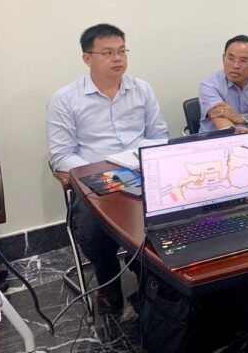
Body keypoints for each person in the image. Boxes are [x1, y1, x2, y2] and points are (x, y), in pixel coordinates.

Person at [47, 23, 168, 312]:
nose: (118, 58)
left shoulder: (142, 89)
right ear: (87, 58)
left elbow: (159, 135)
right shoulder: (65, 98)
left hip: (141, 171)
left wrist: (143, 163)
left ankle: (151, 278)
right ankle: (107, 277)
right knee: (91, 229)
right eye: (108, 53)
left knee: (170, 212)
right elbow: (62, 155)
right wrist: (102, 173)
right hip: (95, 179)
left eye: (122, 51)